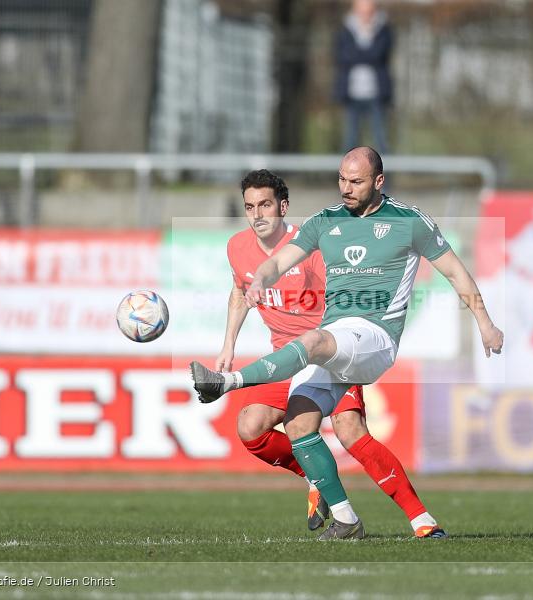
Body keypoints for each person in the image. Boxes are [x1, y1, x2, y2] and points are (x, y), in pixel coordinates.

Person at [191, 148, 504, 539]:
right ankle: (353, 519)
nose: (345, 189)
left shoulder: (409, 221)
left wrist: (485, 323)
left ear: (378, 181)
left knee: (324, 363)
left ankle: (227, 383)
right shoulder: (326, 222)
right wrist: (260, 279)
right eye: (341, 179)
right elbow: (277, 262)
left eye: (355, 181)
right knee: (299, 424)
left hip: (374, 337)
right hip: (333, 341)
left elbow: (456, 272)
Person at [218, 168, 443, 539]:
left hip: (326, 354)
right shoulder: (236, 247)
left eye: (265, 205)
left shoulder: (311, 247)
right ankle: (314, 477)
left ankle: (422, 520)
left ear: (283, 206)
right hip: (282, 360)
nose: (257, 215)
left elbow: (348, 296)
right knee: (249, 427)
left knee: (350, 430)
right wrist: (228, 344)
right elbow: (240, 290)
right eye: (249, 207)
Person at [335, 0, 392, 154]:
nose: (365, 15)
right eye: (362, 11)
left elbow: (379, 54)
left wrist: (357, 53)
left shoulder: (383, 29)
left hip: (377, 94)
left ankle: (385, 177)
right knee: (350, 141)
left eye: (369, 11)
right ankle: (346, 177)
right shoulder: (346, 30)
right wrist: (368, 53)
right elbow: (343, 56)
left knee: (381, 140)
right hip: (352, 93)